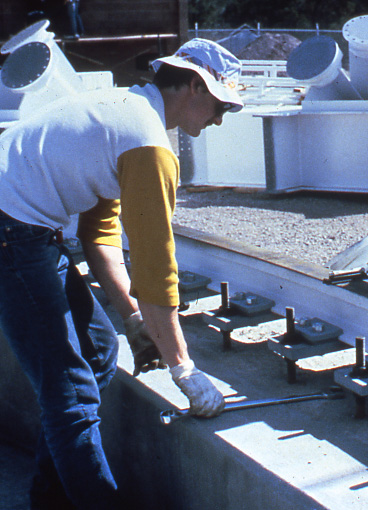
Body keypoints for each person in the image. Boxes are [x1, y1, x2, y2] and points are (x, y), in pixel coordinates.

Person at [0, 38, 243, 509]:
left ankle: (50, 501)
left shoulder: (126, 109)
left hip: (24, 228)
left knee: (98, 348)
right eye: (220, 106)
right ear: (195, 86)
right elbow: (157, 275)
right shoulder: (148, 144)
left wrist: (132, 320)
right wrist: (184, 371)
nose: (218, 119)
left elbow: (100, 234)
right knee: (71, 392)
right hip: (13, 232)